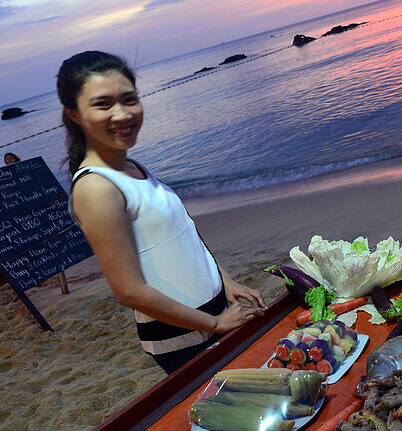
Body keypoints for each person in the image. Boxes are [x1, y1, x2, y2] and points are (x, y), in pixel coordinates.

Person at [57, 50, 264, 375]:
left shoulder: (130, 167)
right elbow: (128, 290)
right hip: (185, 336)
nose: (122, 114)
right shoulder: (96, 188)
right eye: (103, 104)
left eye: (129, 99)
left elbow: (182, 235)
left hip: (214, 314)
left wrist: (225, 281)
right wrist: (215, 323)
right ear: (74, 115)